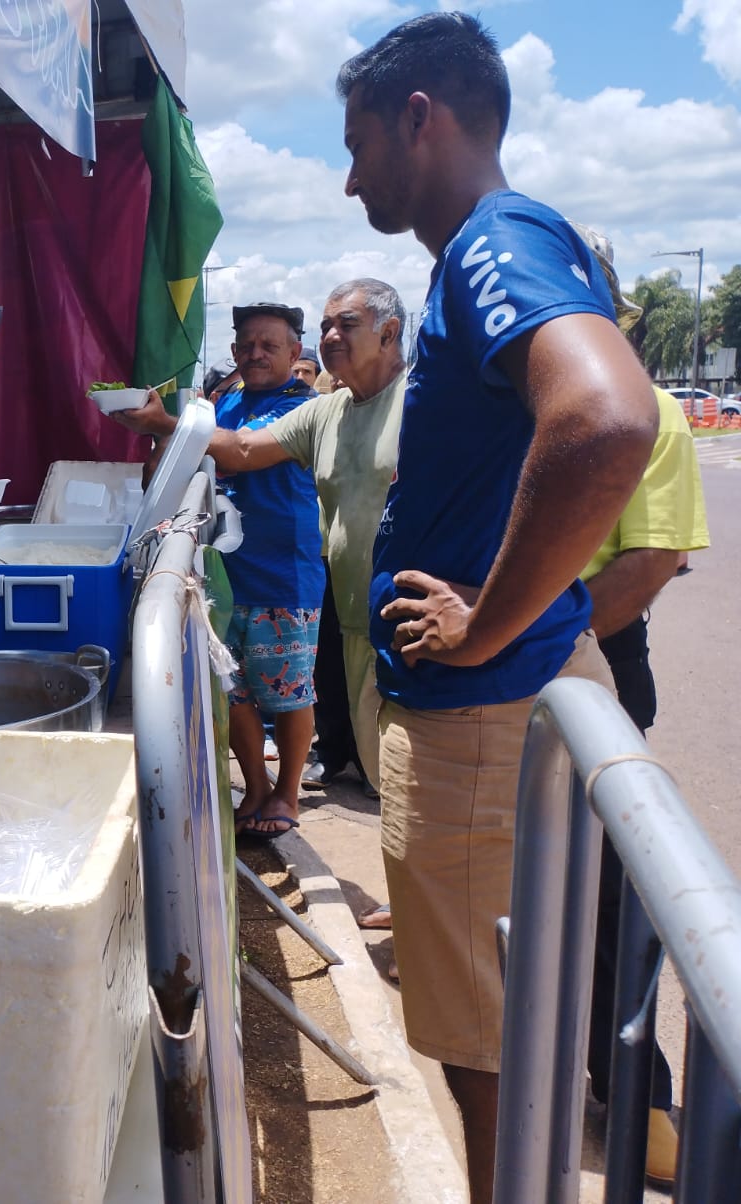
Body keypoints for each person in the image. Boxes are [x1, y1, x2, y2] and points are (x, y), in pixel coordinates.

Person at [335, 15, 658, 1200]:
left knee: (488, 1054)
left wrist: (492, 619)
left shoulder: (492, 240)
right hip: (493, 712)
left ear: (422, 115)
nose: (352, 172)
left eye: (360, 141)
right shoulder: (485, 249)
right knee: (506, 1037)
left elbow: (608, 417)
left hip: (482, 716)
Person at [571, 222, 709, 1186]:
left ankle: (635, 1094)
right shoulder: (490, 410)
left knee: (617, 899)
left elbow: (650, 563)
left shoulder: (652, 413)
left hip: (592, 662)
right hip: (494, 657)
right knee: (517, 880)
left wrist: (529, 640)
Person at [114, 301, 322, 840]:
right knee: (235, 691)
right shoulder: (222, 404)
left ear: (294, 353)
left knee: (289, 692)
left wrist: (169, 423)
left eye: (269, 345)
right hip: (224, 576)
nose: (255, 354)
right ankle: (255, 785)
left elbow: (241, 454)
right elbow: (180, 465)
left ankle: (288, 791)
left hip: (283, 576)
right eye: (247, 345)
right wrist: (162, 438)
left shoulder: (302, 407)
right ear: (233, 352)